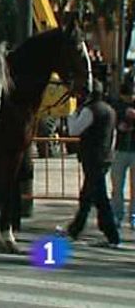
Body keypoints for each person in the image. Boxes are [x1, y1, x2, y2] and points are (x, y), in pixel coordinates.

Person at [57, 79, 121, 248]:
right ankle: (97, 232)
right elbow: (113, 135)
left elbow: (74, 130)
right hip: (105, 157)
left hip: (92, 158)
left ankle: (106, 234)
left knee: (92, 198)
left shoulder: (89, 111)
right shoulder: (109, 110)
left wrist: (71, 114)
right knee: (96, 196)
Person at [112, 90, 135, 230]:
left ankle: (134, 216)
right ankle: (117, 215)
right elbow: (114, 123)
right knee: (117, 186)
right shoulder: (118, 106)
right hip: (120, 150)